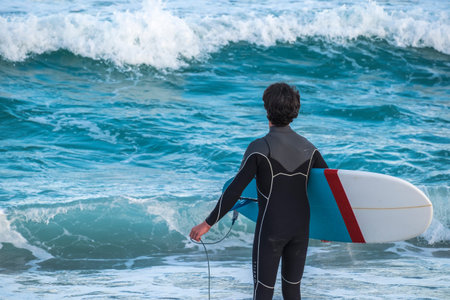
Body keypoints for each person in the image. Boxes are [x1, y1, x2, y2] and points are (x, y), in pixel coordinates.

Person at [189, 82, 328, 300]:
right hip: (301, 230)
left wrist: (207, 224)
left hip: (272, 230)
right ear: (295, 111)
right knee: (293, 292)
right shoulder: (310, 149)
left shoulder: (259, 148)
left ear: (267, 110)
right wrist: (327, 228)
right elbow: (327, 190)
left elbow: (235, 189)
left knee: (263, 292)